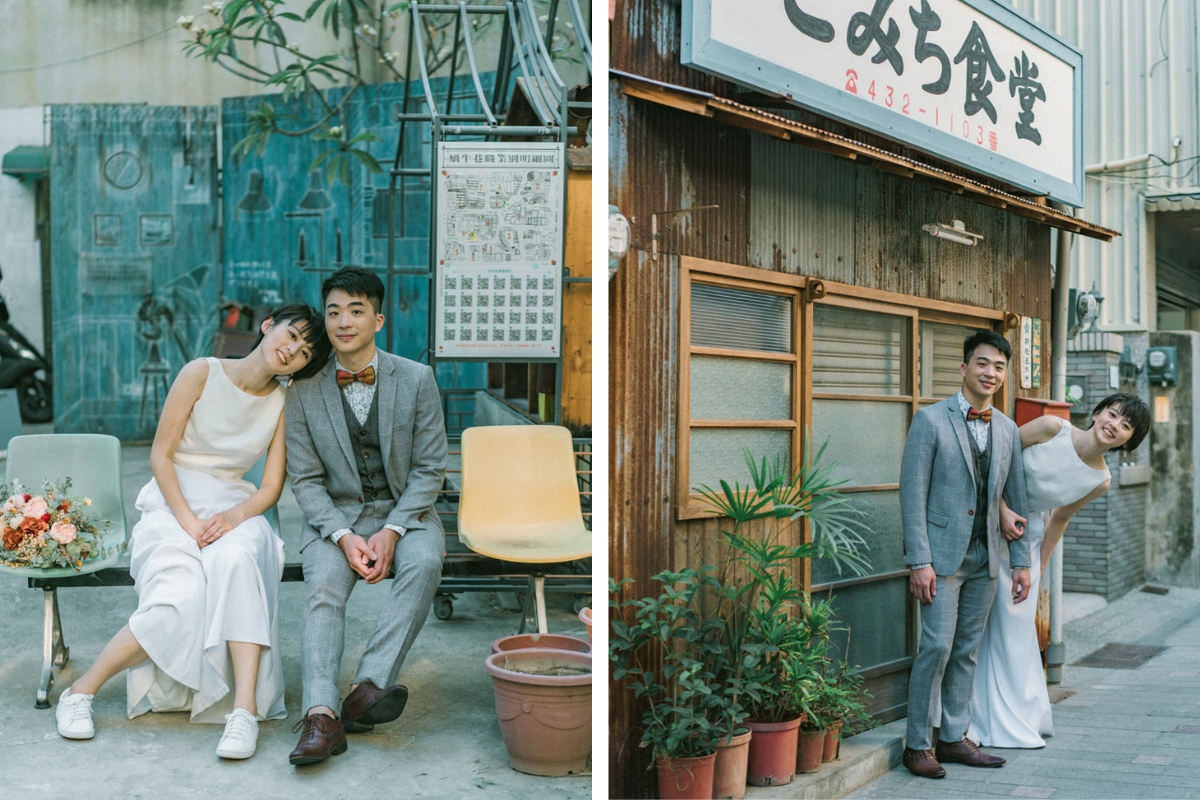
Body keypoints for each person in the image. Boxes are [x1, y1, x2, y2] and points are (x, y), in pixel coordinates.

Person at [54, 304, 331, 760]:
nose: (292, 351)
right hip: (172, 504)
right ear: (268, 326)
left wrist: (234, 518)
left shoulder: (284, 403)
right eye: (292, 335)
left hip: (235, 509)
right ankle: (79, 693)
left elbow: (270, 487)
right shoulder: (200, 373)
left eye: (304, 353)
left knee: (238, 561)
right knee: (178, 599)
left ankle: (243, 713)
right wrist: (187, 521)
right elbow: (161, 456)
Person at [284, 266, 447, 766]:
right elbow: (306, 479)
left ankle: (368, 686)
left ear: (378, 320)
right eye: (334, 312)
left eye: (356, 311)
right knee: (324, 590)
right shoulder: (302, 388)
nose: (343, 321)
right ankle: (321, 716)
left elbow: (429, 467)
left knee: (423, 563)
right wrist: (341, 534)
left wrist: (394, 530)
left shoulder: (416, 378)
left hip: (407, 513)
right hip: (334, 519)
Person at [968, 392, 1151, 749]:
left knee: (1014, 632)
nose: (1114, 425)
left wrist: (1039, 567)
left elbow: (1060, 518)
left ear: (1130, 440)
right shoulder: (1052, 427)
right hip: (989, 519)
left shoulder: (1101, 480)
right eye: (1112, 415)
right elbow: (995, 458)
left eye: (1126, 426)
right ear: (1097, 413)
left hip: (1026, 540)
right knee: (974, 623)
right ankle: (967, 713)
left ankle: (1014, 715)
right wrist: (1003, 507)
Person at [900, 329, 1035, 780]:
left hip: (986, 560)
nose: (991, 373)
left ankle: (954, 738)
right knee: (936, 647)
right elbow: (912, 495)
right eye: (983, 363)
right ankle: (917, 744)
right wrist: (919, 562)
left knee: (966, 651)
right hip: (941, 559)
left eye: (999, 367)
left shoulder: (1009, 429)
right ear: (964, 368)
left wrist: (1020, 562)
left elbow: (1015, 497)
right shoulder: (930, 420)